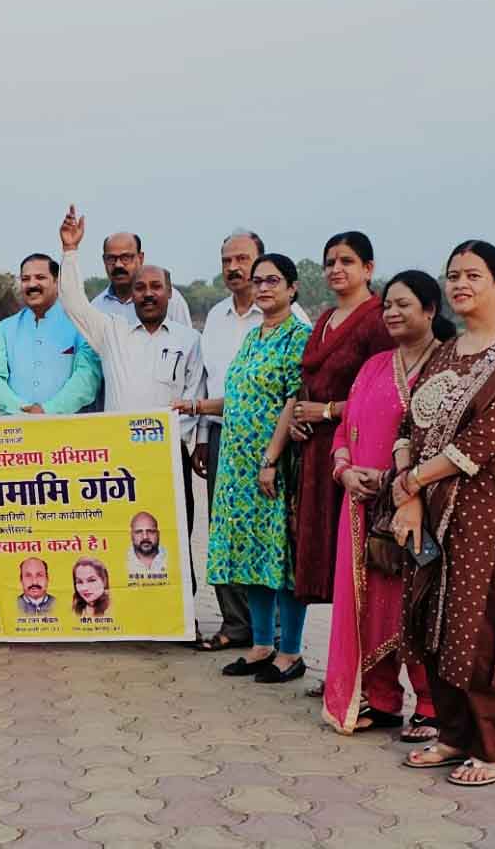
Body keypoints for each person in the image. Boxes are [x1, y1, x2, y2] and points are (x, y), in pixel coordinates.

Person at [394, 240, 495, 785]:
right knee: (431, 619)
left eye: (473, 275)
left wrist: (414, 481)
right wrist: (409, 494)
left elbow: (483, 441)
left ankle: (493, 746)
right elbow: (408, 426)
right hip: (429, 509)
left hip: (486, 511)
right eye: (453, 275)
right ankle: (453, 733)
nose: (460, 284)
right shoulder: (446, 351)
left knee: (475, 625)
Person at [322, 271, 448, 739]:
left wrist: (394, 480)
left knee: (417, 600)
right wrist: (344, 470)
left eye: (404, 305)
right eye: (388, 305)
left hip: (420, 503)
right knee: (368, 600)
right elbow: (344, 430)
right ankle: (382, 699)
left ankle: (431, 705)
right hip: (361, 508)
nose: (392, 313)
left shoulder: (447, 367)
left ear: (430, 310)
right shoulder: (374, 366)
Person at [180, 254, 312, 684]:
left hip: (273, 465)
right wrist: (195, 406)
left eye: (273, 280)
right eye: (259, 281)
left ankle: (290, 652)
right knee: (250, 556)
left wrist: (271, 459)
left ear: (292, 288)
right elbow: (238, 397)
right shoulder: (254, 337)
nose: (264, 288)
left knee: (281, 558)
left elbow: (292, 400)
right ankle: (260, 645)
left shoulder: (299, 336)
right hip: (237, 464)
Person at [57, 206, 204, 541]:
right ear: (132, 295)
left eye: (156, 287)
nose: (148, 294)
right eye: (140, 288)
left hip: (169, 455)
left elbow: (194, 396)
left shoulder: (189, 340)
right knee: (123, 538)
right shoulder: (111, 332)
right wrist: (70, 250)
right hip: (119, 456)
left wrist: (165, 441)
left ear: (170, 293)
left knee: (176, 538)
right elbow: (72, 301)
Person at [290, 232, 394, 605]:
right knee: (323, 560)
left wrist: (328, 411)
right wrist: (299, 418)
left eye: (346, 261)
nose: (336, 268)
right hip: (315, 450)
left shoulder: (378, 320)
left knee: (359, 559)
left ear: (368, 268)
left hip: (358, 450)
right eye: (330, 262)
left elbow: (389, 396)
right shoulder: (325, 320)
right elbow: (309, 384)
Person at [0, 253, 101, 415]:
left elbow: (87, 377)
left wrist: (49, 410)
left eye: (40, 277)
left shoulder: (80, 327)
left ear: (57, 282)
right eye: (25, 279)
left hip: (68, 425)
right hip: (15, 424)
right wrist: (22, 410)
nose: (32, 284)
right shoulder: (2, 330)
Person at [91, 231, 192, 326]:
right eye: (111, 259)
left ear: (140, 258)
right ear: (104, 261)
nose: (118, 265)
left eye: (126, 258)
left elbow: (186, 337)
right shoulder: (96, 308)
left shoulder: (170, 300)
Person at [127, 511, 167, 577]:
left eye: (150, 531)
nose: (145, 537)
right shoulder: (122, 561)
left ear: (158, 534)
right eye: (139, 532)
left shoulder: (172, 558)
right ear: (131, 535)